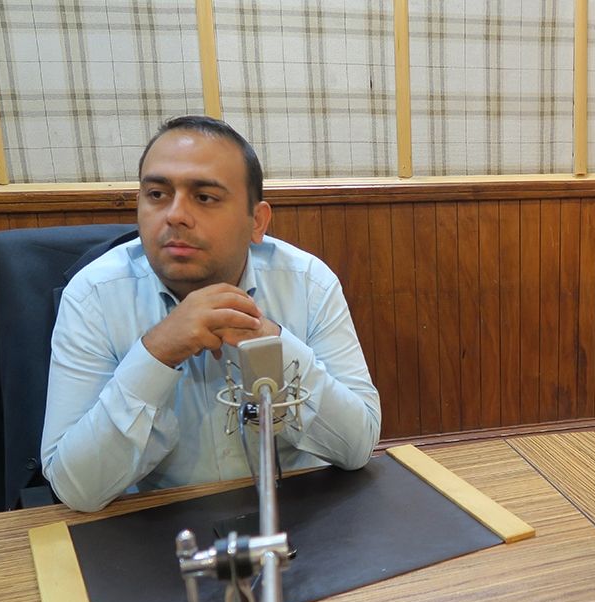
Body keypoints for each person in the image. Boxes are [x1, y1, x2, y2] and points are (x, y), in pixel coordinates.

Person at [41, 116, 381, 512]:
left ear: (257, 221)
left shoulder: (307, 283)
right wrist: (156, 352)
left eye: (204, 197)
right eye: (156, 194)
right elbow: (75, 489)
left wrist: (270, 343)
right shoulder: (93, 295)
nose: (175, 215)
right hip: (155, 526)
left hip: (298, 514)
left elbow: (357, 446)